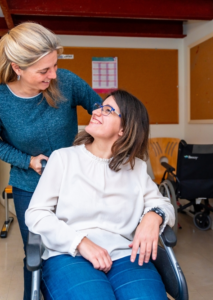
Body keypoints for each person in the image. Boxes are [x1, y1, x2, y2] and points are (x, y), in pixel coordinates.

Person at [0, 22, 102, 299]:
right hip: (30, 186)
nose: (53, 75)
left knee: (79, 246)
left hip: (76, 182)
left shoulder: (67, 81)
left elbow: (101, 109)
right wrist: (27, 160)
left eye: (54, 65)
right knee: (36, 253)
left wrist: (95, 143)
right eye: (43, 70)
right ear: (17, 67)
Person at [25, 90, 175, 300]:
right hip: (69, 254)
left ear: (124, 129)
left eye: (108, 110)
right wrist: (80, 242)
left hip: (126, 255)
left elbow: (163, 203)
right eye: (99, 107)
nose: (96, 112)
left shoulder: (136, 168)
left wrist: (154, 215)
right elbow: (36, 213)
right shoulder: (63, 159)